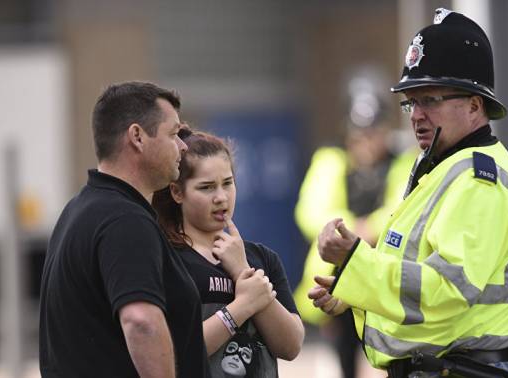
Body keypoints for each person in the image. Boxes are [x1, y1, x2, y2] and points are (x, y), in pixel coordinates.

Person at [309, 8, 508, 378]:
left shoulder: (476, 178)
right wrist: (357, 290)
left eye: (430, 100)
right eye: (411, 101)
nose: (416, 115)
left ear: (474, 105)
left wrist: (357, 262)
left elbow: (447, 289)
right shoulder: (445, 166)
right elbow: (419, 277)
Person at [39, 81, 209, 378]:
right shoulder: (125, 220)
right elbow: (141, 321)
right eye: (173, 134)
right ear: (137, 137)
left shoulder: (80, 209)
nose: (183, 145)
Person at [152, 129, 304, 378]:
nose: (221, 197)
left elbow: (291, 346)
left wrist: (243, 271)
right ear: (178, 192)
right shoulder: (168, 258)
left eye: (228, 183)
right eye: (207, 187)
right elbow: (174, 354)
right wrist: (242, 307)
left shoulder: (261, 259)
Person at [292, 82, 417, 378]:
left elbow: (406, 208)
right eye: (359, 134)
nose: (366, 142)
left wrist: (368, 229)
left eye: (374, 133)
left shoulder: (403, 161)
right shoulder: (330, 159)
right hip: (337, 275)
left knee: (390, 357)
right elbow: (311, 211)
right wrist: (352, 228)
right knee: (344, 358)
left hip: (383, 273)